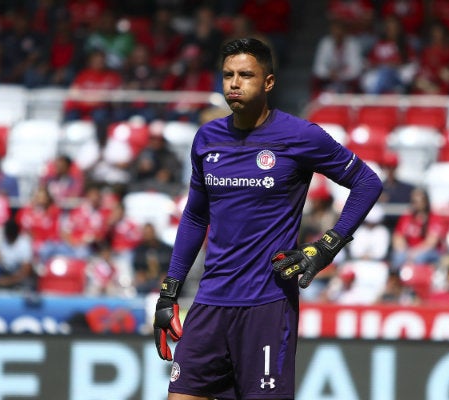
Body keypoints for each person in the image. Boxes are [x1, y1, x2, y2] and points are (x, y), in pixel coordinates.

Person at [153, 38, 383, 400]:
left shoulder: (300, 135)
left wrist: (327, 245)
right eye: (228, 74)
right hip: (210, 302)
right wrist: (169, 293)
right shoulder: (207, 139)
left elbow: (367, 182)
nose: (234, 83)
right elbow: (196, 216)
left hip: (267, 306)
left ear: (269, 82)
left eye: (246, 74)